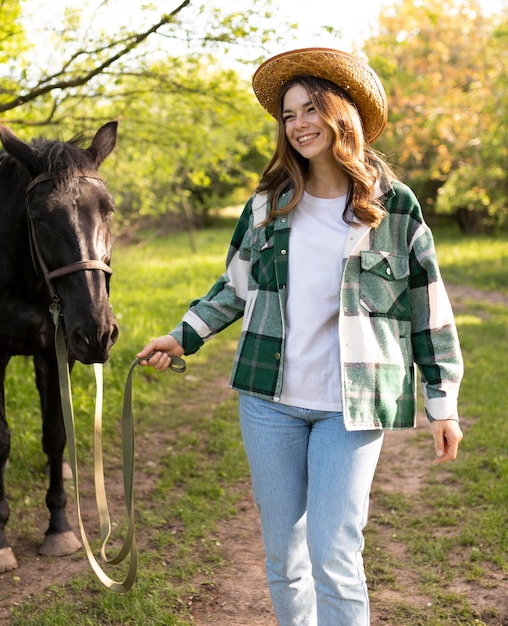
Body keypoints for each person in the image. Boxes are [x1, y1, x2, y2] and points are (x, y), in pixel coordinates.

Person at [137, 47, 464, 626]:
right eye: (289, 115)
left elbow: (427, 307)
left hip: (351, 408)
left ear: (342, 114)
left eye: (311, 108)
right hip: (270, 405)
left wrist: (443, 405)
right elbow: (234, 287)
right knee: (283, 558)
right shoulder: (268, 204)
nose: (300, 124)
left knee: (334, 556)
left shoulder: (393, 207)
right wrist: (180, 337)